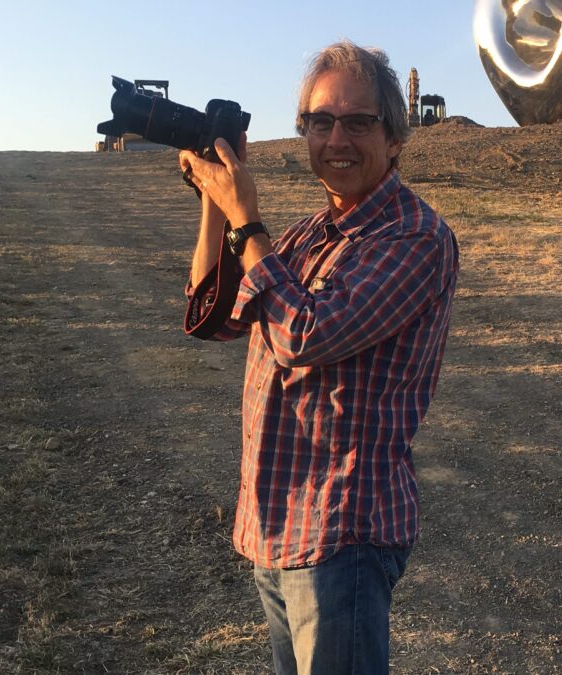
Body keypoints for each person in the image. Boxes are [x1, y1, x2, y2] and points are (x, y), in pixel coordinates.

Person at [178, 41, 459, 675]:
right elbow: (213, 318)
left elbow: (304, 335)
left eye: (359, 121)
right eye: (321, 122)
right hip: (275, 525)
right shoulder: (309, 235)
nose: (338, 138)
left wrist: (248, 225)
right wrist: (212, 204)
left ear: (394, 137)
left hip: (341, 533)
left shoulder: (416, 236)